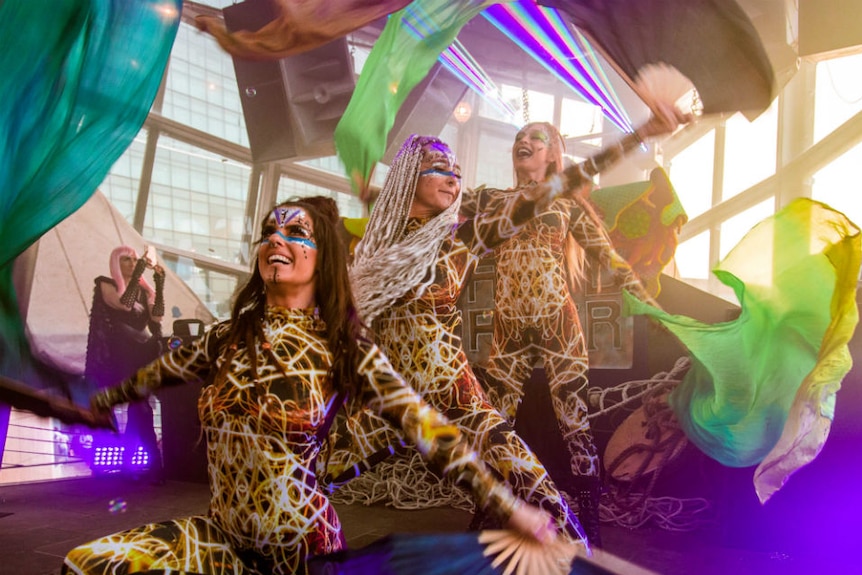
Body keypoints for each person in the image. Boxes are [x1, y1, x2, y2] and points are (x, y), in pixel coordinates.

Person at [63, 197, 558, 575]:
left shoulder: (341, 347)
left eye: (295, 233)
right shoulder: (228, 336)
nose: (276, 240)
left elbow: (428, 428)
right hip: (220, 539)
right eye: (269, 232)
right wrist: (100, 402)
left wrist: (509, 505)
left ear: (321, 258)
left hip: (301, 552)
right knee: (86, 564)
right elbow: (156, 374)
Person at [326, 133, 608, 546]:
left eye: (457, 173)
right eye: (440, 169)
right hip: (386, 397)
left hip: (453, 391)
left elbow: (540, 196)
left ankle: (584, 557)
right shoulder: (373, 245)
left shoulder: (463, 236)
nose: (452, 180)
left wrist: (645, 132)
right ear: (408, 176)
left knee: (541, 492)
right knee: (304, 480)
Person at [468, 111, 688, 546]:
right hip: (507, 330)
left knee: (575, 424)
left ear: (552, 154)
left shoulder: (566, 205)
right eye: (518, 137)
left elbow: (612, 260)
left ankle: (590, 521)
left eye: (535, 137)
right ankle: (485, 508)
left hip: (558, 326)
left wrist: (655, 308)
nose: (522, 142)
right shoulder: (490, 200)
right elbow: (439, 212)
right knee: (495, 424)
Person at [84, 244, 166, 482]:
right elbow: (124, 304)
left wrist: (159, 285)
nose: (131, 263)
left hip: (137, 356)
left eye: (134, 260)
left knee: (141, 409)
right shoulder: (105, 284)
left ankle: (144, 466)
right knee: (107, 409)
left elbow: (157, 315)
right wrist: (141, 268)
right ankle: (104, 467)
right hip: (114, 358)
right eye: (126, 260)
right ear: (116, 264)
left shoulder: (142, 291)